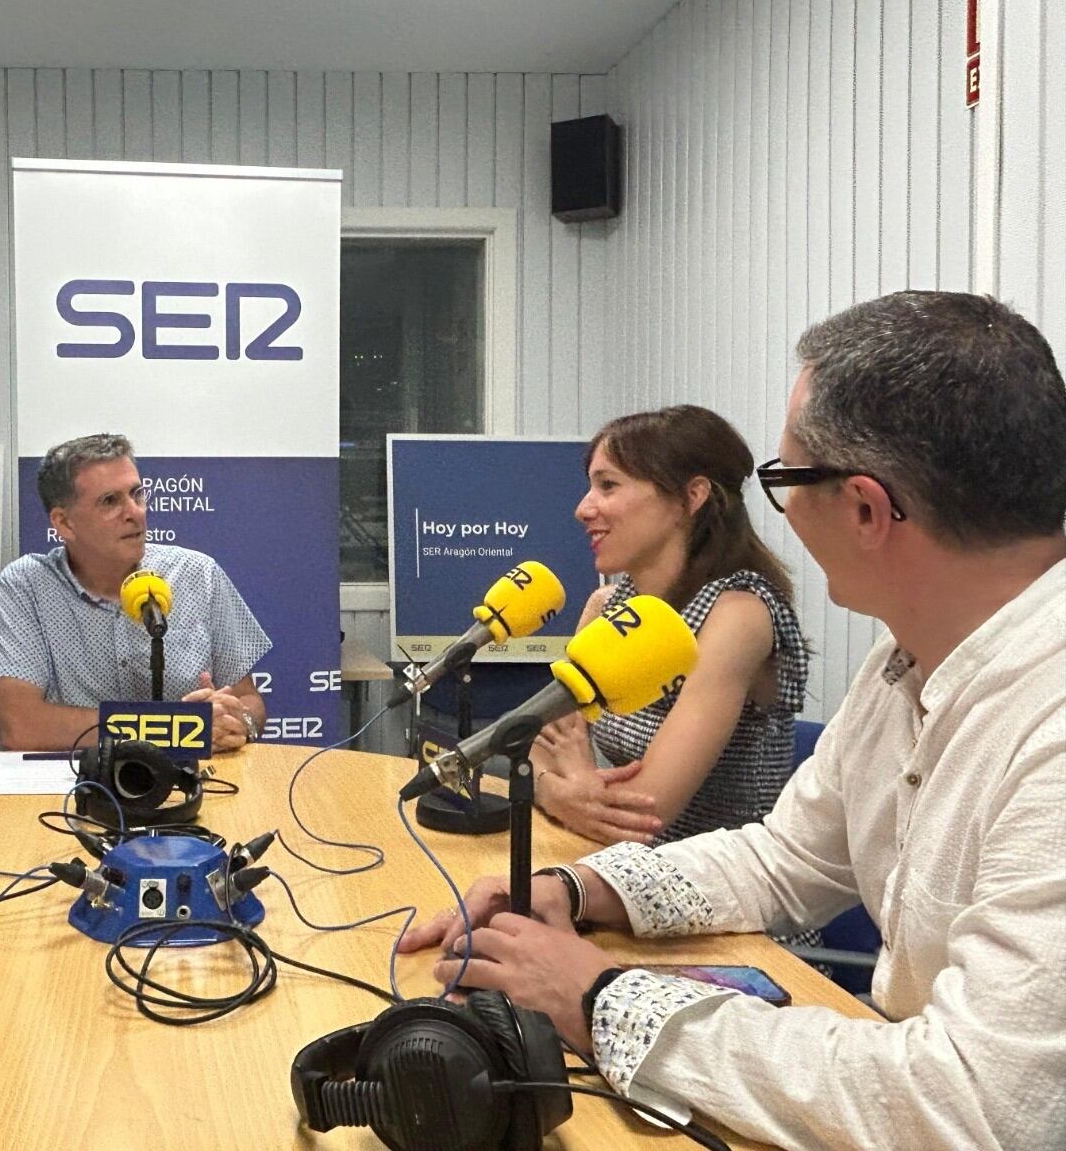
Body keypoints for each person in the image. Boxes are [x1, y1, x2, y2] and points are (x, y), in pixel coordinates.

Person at [399, 292, 1066, 1150]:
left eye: (785, 482)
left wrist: (602, 997)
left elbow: (978, 1108)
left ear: (866, 509)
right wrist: (578, 888)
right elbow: (786, 857)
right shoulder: (908, 658)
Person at [531, 406, 809, 849]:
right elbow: (536, 743)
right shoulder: (606, 606)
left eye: (608, 485)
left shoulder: (739, 614)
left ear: (691, 497)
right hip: (610, 867)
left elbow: (646, 813)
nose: (583, 509)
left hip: (723, 900)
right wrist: (559, 790)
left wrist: (574, 779)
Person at [0, 433, 271, 752]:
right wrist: (176, 727)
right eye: (110, 501)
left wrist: (236, 721)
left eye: (137, 494)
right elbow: (22, 727)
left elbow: (248, 700)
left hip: (195, 783)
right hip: (78, 788)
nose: (135, 512)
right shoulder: (26, 585)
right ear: (64, 523)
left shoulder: (198, 574)